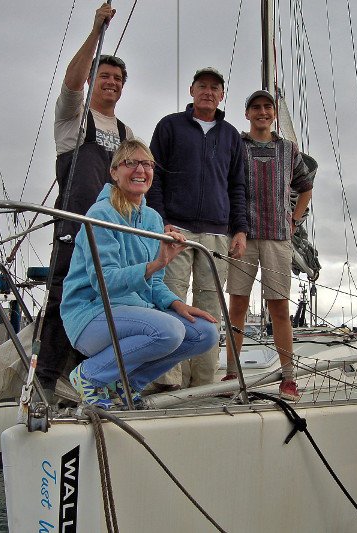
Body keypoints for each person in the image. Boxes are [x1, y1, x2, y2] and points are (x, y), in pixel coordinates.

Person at [61, 139, 219, 408]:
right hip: (91, 315)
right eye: (130, 163)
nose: (140, 170)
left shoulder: (152, 220)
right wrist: (156, 264)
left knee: (205, 333)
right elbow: (105, 283)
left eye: (147, 164)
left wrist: (178, 304)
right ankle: (89, 376)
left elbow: (154, 284)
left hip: (136, 315)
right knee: (168, 331)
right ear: (114, 172)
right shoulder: (100, 214)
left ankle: (127, 383)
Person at [36, 3, 134, 402]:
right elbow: (72, 82)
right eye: (104, 75)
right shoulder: (73, 117)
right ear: (94, 79)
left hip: (111, 230)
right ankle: (45, 377)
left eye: (117, 78)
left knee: (104, 299)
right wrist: (96, 30)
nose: (110, 82)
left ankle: (85, 376)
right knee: (64, 293)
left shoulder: (127, 132)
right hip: (75, 223)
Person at [146, 67, 248, 389]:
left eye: (214, 87)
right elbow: (154, 176)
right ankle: (169, 379)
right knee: (173, 300)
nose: (208, 91)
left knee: (210, 309)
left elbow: (238, 186)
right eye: (202, 86)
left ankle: (203, 382)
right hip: (176, 229)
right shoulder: (170, 126)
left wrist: (240, 229)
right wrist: (160, 219)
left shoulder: (231, 136)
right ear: (191, 90)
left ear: (222, 95)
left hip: (218, 233)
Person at [223, 90, 316, 401]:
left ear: (274, 113)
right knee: (236, 305)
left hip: (278, 236)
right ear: (247, 113)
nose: (262, 112)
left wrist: (295, 218)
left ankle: (288, 378)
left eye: (267, 107)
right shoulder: (236, 143)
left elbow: (306, 187)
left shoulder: (289, 150)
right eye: (256, 107)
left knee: (279, 308)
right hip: (243, 235)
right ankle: (232, 373)